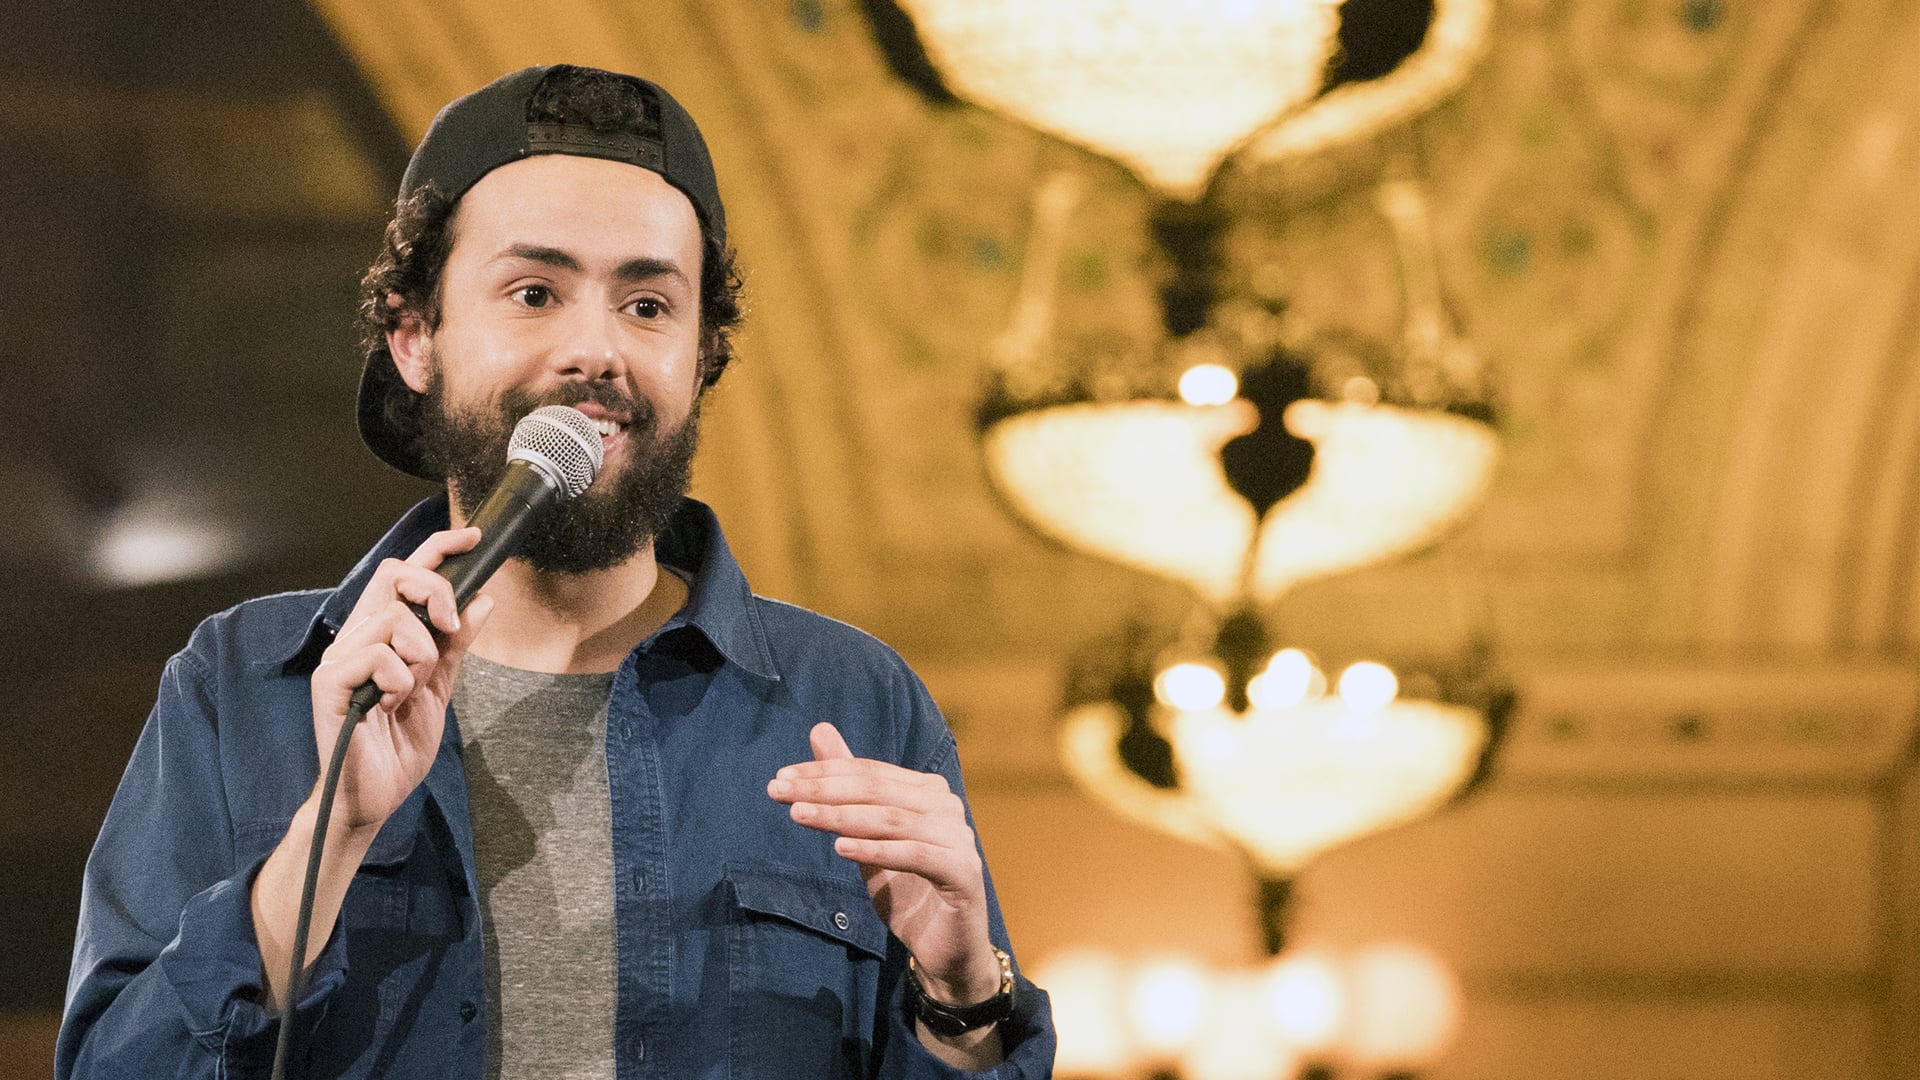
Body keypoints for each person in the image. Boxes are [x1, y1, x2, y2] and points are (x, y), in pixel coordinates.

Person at [57, 64, 1054, 1079]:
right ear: (414, 338)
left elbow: (965, 1028)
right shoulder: (243, 687)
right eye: (535, 293)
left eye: (648, 305)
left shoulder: (855, 702)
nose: (595, 350)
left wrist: (963, 999)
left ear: (703, 355)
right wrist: (332, 833)